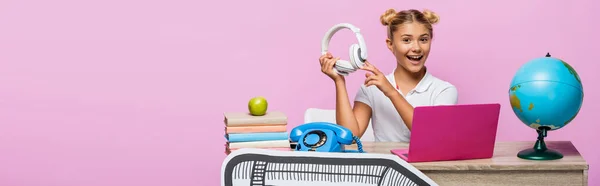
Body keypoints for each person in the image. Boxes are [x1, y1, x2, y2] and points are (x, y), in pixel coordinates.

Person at [318, 8, 458, 142]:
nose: (416, 48)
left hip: (425, 167)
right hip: (385, 166)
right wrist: (339, 81)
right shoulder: (371, 89)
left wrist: (391, 91)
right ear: (390, 45)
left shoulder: (444, 90)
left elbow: (431, 135)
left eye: (423, 39)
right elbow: (350, 137)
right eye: (406, 40)